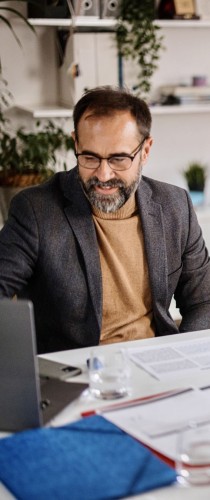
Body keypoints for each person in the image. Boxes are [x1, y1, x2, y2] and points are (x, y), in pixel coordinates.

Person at [0, 86, 210, 353]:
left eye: (119, 159)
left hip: (155, 364)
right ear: (75, 143)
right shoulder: (36, 210)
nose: (103, 174)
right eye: (89, 157)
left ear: (145, 150)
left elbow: (203, 301)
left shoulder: (175, 206)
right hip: (77, 378)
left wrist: (183, 357)